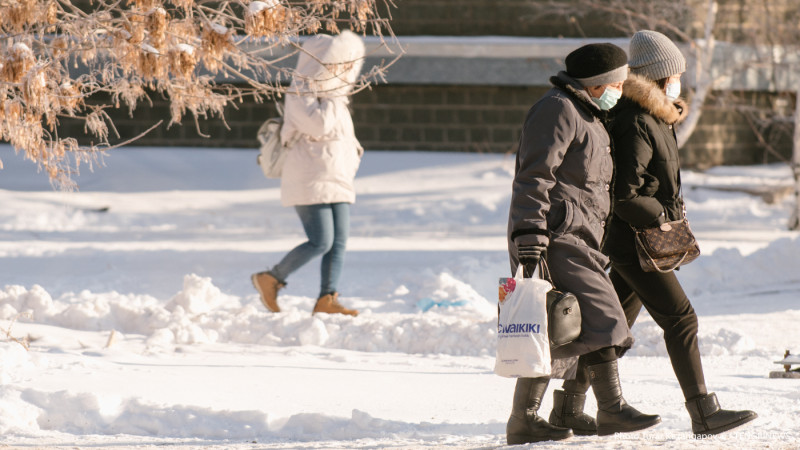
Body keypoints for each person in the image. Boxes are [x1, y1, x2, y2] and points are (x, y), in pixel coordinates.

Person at [603, 30, 757, 437]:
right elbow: (626, 194)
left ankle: (571, 404)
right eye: (676, 74)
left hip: (633, 238)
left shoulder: (657, 115)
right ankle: (703, 412)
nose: (680, 81)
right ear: (657, 76)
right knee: (682, 320)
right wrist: (662, 219)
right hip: (635, 239)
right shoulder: (636, 120)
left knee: (611, 327)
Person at [506, 42, 661, 445]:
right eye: (617, 83)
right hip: (553, 237)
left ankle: (524, 420)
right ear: (596, 84)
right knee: (604, 317)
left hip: (582, 238)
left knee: (561, 330)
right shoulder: (557, 109)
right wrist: (529, 235)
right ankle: (612, 409)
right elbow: (533, 176)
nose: (621, 89)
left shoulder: (590, 114)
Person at [251, 30, 365, 317]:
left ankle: (328, 297)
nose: (340, 72)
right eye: (334, 65)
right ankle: (271, 278)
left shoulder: (335, 97)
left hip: (337, 178)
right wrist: (334, 96)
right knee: (320, 241)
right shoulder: (301, 92)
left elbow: (344, 138)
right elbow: (319, 127)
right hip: (309, 177)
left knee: (338, 242)